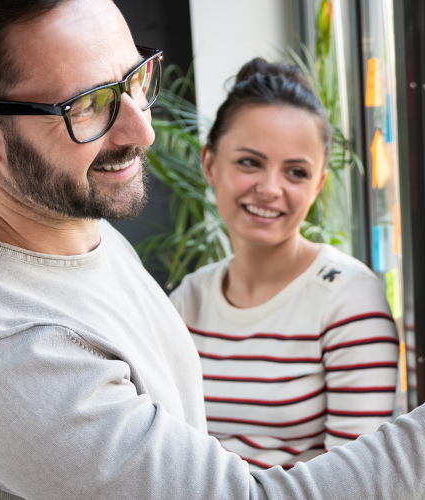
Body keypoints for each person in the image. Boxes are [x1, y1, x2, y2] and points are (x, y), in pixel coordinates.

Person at [0, 0, 425, 498]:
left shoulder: (79, 234)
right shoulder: (16, 353)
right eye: (86, 106)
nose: (141, 130)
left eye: (135, 81)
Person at [168, 58, 399, 470]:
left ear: (318, 185)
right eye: (249, 162)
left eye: (295, 172)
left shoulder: (349, 299)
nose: (270, 188)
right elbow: (165, 450)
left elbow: (354, 481)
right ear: (210, 164)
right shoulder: (189, 299)